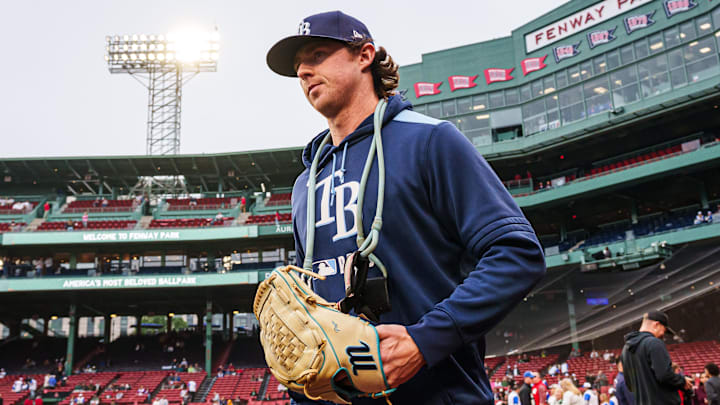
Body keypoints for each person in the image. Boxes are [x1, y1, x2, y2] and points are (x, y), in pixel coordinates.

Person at [267, 10, 545, 404]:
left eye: (316, 55)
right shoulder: (303, 185)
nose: (304, 72)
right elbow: (308, 302)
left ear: (364, 55)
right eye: (298, 67)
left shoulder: (430, 141)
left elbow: (517, 254)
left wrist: (425, 339)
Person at [621, 311, 692, 405]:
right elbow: (664, 375)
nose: (663, 334)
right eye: (664, 330)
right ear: (656, 324)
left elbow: (630, 385)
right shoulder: (654, 343)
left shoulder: (625, 349)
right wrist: (682, 381)